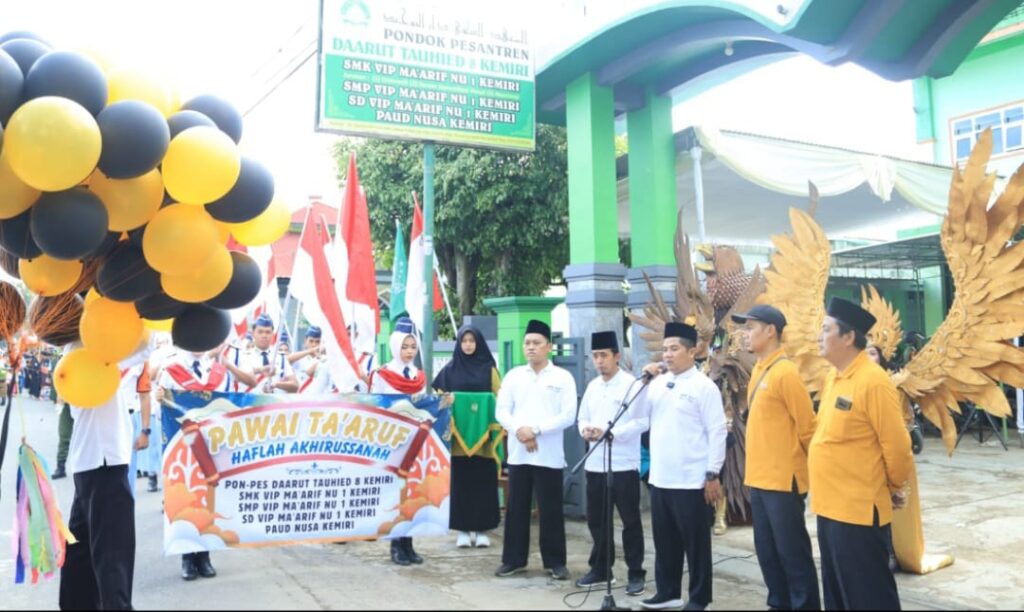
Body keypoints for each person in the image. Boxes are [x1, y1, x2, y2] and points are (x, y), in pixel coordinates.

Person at [811, 297, 913, 610]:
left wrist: (893, 486)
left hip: (858, 512)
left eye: (826, 329)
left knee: (869, 597)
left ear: (848, 337)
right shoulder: (833, 378)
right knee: (839, 597)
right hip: (829, 509)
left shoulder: (873, 380)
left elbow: (898, 447)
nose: (818, 336)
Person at [732, 305, 820, 611]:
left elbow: (808, 428)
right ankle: (778, 603)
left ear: (770, 331)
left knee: (792, 553)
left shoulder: (786, 373)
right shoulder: (759, 369)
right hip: (759, 478)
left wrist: (815, 474)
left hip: (784, 481)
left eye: (750, 328)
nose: (744, 334)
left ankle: (805, 605)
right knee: (767, 552)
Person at [637, 322, 727, 611]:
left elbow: (717, 432)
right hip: (661, 477)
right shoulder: (658, 384)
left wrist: (712, 472)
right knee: (665, 542)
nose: (667, 354)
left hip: (692, 479)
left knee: (696, 544)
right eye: (665, 349)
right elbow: (640, 416)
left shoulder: (704, 387)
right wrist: (644, 382)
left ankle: (700, 598)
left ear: (692, 351)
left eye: (674, 349)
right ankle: (668, 592)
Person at [59, 343, 151, 611]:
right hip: (104, 462)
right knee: (112, 557)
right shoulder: (90, 355)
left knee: (81, 554)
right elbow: (144, 347)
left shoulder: (74, 353)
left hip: (90, 463)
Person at [494, 319, 576, 581]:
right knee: (516, 508)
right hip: (519, 453)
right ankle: (513, 560)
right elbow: (501, 411)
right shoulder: (514, 376)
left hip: (548, 455)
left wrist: (536, 430)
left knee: (551, 510)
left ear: (548, 346)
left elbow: (568, 415)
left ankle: (555, 562)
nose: (531, 347)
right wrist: (520, 430)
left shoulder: (562, 377)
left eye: (537, 343)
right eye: (527, 343)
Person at [575, 331, 647, 596]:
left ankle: (636, 572)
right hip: (595, 463)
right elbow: (582, 417)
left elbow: (642, 422)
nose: (599, 361)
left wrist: (612, 433)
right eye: (595, 356)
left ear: (617, 356)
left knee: (630, 521)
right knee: (597, 520)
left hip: (623, 464)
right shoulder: (593, 386)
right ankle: (602, 569)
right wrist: (586, 430)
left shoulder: (632, 385)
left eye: (604, 356)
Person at [157, 347, 226, 582]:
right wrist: (159, 397)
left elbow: (231, 401)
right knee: (184, 496)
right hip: (182, 443)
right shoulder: (170, 370)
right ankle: (186, 556)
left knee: (207, 496)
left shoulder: (217, 371)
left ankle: (204, 555)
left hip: (211, 443)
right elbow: (161, 412)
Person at [432, 325, 502, 550]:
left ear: (478, 343)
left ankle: (482, 530)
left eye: (472, 341)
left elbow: (499, 397)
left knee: (483, 483)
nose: (468, 345)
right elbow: (438, 399)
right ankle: (462, 530)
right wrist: (449, 400)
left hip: (484, 442)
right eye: (464, 341)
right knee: (461, 484)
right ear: (459, 344)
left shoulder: (490, 370)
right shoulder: (450, 370)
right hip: (458, 442)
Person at [369, 317, 428, 565]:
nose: (409, 352)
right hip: (391, 439)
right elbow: (376, 405)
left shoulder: (418, 375)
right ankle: (395, 545)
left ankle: (409, 543)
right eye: (405, 347)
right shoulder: (383, 374)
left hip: (415, 439)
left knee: (412, 492)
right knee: (396, 493)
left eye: (413, 347)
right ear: (395, 346)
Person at [224, 315, 298, 395]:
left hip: (272, 401)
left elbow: (295, 386)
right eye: (260, 332)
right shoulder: (240, 355)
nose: (264, 336)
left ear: (272, 334)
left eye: (268, 332)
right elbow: (232, 379)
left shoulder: (280, 358)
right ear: (253, 333)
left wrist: (275, 385)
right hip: (247, 402)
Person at [288, 326, 325, 393]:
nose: (314, 345)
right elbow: (287, 359)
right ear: (305, 341)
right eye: (311, 341)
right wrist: (309, 351)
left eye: (317, 342)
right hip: (301, 395)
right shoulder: (300, 358)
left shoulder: (324, 360)